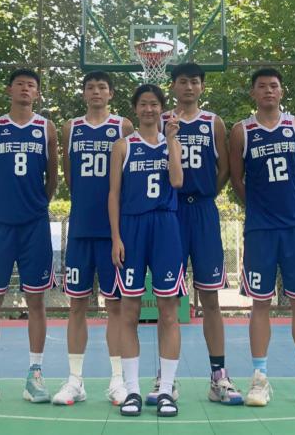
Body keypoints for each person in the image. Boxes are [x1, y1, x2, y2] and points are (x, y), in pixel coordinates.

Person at [229, 67, 295, 408]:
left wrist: (292, 206)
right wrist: (261, 209)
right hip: (260, 229)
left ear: (281, 92)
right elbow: (238, 181)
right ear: (253, 93)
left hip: (294, 227)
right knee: (260, 303)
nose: (268, 91)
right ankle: (259, 378)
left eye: (274, 86)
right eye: (262, 86)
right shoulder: (242, 131)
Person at [147, 62, 241, 406]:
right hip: (169, 213)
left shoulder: (213, 122)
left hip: (202, 211)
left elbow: (224, 168)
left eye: (195, 82)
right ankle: (166, 379)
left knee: (210, 298)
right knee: (167, 300)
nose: (189, 87)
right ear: (173, 86)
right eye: (183, 81)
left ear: (202, 87)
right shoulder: (160, 121)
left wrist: (205, 193)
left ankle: (219, 376)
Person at [0, 69, 58, 405]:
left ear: (37, 93)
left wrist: (36, 205)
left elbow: (52, 177)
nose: (25, 89)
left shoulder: (46, 128)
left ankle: (35, 374)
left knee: (36, 300)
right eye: (20, 84)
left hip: (34, 225)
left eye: (31, 85)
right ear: (9, 90)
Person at [52, 71, 133, 406]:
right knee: (76, 306)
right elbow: (70, 176)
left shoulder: (123, 127)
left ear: (111, 93)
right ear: (84, 93)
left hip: (112, 231)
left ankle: (118, 380)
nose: (96, 91)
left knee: (115, 306)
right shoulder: (71, 128)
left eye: (102, 87)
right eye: (90, 87)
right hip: (81, 229)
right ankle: (75, 380)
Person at [109, 84, 184, 417]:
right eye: (143, 104)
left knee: (168, 312)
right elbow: (113, 194)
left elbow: (178, 181)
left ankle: (166, 390)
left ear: (161, 109)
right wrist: (116, 237)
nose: (149, 109)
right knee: (129, 312)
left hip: (165, 226)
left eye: (154, 104)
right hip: (132, 228)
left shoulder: (172, 143)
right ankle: (132, 391)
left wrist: (171, 141)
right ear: (135, 109)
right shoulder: (123, 146)